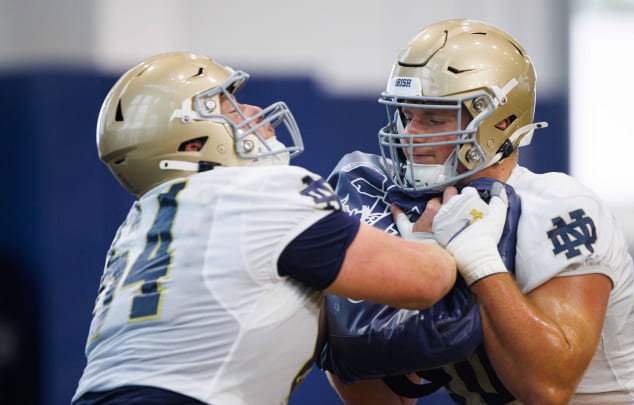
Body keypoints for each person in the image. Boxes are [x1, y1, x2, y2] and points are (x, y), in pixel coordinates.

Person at [322, 20, 634, 405]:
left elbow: (548, 389)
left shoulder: (558, 206)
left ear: (500, 122)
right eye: (405, 115)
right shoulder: (409, 213)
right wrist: (354, 298)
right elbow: (379, 393)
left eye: (433, 119)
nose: (410, 134)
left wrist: (480, 263)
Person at [71, 51, 460, 405]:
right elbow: (424, 280)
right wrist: (439, 235)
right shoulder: (257, 190)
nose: (253, 111)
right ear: (191, 143)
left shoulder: (137, 226)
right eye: (230, 107)